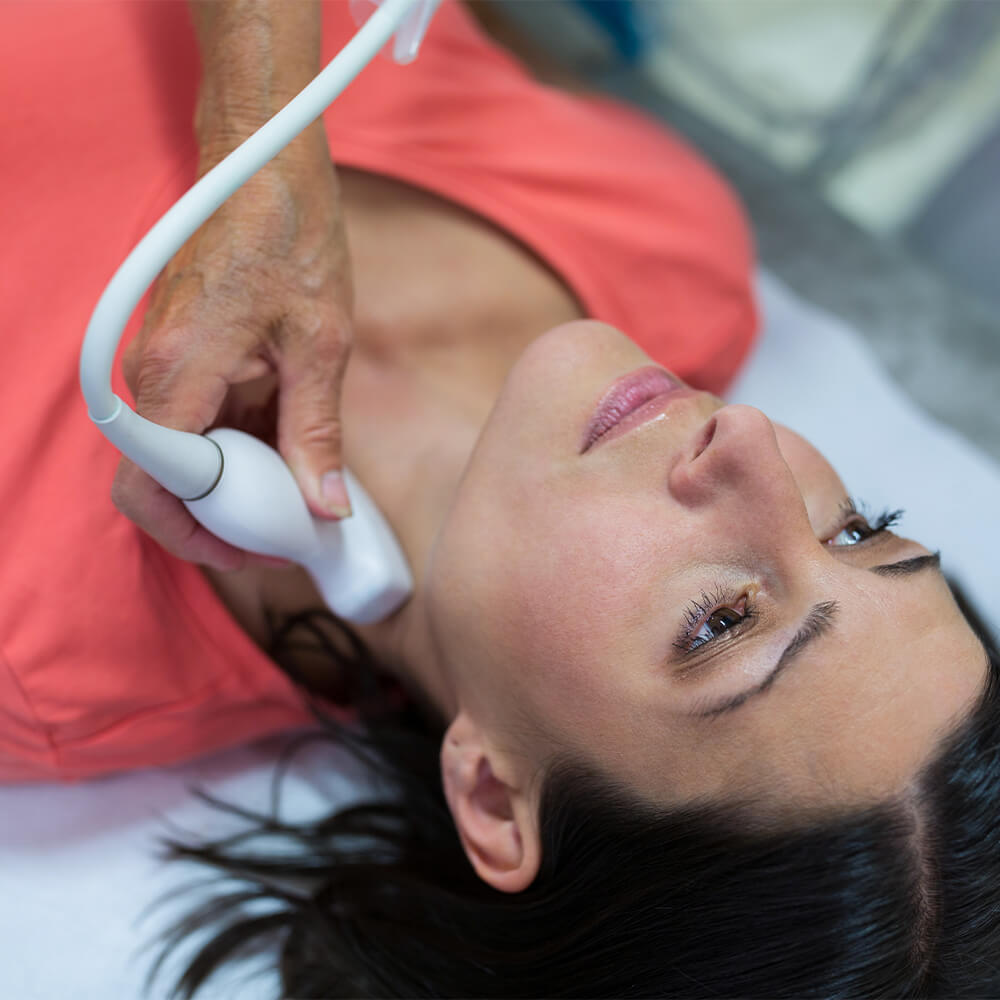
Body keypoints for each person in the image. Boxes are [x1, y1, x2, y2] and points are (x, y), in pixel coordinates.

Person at [4, 1, 999, 997]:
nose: (746, 442)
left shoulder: (37, 639)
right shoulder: (669, 243)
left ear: (492, 790)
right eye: (859, 528)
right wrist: (262, 140)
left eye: (718, 620)